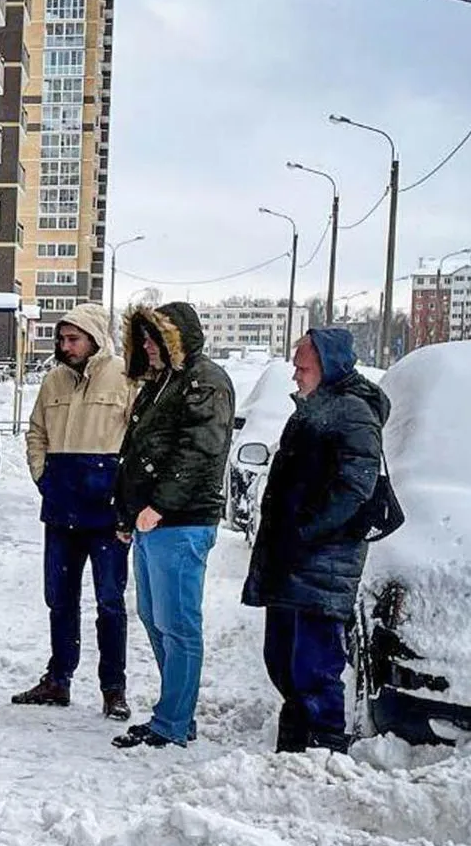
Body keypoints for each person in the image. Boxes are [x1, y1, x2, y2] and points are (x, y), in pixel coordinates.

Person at [242, 328, 389, 753]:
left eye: (301, 366)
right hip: (295, 558)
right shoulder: (316, 406)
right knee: (283, 659)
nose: (294, 374)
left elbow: (354, 487)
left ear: (327, 366)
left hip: (323, 560)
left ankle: (323, 749)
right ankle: (294, 743)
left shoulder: (353, 413)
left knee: (314, 664)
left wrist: (306, 531)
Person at [110, 301, 236, 749]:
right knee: (154, 617)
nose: (146, 346)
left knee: (178, 624)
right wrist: (128, 513)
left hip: (180, 521)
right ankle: (176, 713)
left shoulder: (204, 381)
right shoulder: (162, 383)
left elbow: (200, 451)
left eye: (153, 337)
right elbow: (138, 451)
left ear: (176, 337)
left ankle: (172, 722)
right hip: (151, 522)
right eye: (141, 339)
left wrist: (159, 505)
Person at [13, 302, 133, 719]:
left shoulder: (125, 376)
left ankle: (113, 688)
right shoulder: (53, 381)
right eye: (61, 339)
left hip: (107, 515)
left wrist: (126, 499)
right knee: (60, 600)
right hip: (61, 510)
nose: (65, 346)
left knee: (110, 603)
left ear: (95, 339)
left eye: (73, 339)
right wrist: (43, 476)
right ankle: (58, 679)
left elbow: (138, 439)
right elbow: (36, 432)